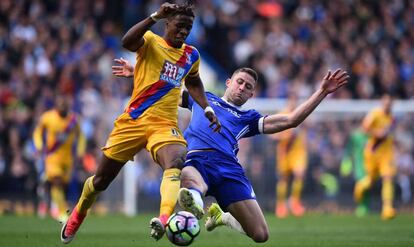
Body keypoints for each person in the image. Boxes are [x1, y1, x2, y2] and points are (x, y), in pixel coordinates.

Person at [111, 59, 349, 242]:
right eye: (240, 82)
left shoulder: (248, 118)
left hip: (229, 170)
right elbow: (164, 92)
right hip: (198, 158)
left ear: (251, 95)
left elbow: (291, 120)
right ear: (229, 82)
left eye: (248, 87)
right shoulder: (202, 98)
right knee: (189, 174)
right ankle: (193, 198)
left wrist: (322, 92)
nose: (242, 88)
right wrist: (137, 73)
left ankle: (219, 216)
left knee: (260, 235)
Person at [61, 2, 221, 244]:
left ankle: (164, 218)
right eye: (180, 25)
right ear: (167, 23)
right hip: (133, 121)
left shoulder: (191, 55)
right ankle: (79, 212)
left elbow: (194, 82)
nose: (183, 31)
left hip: (164, 123)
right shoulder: (150, 41)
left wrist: (206, 107)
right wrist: (154, 16)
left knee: (177, 159)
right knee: (101, 181)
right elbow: (127, 41)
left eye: (188, 27)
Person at [33, 95, 85, 222]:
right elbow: (38, 132)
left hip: (67, 158)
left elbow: (81, 136)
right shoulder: (48, 117)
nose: (62, 108)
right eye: (60, 105)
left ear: (68, 106)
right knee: (57, 181)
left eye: (65, 105)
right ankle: (62, 213)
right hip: (52, 157)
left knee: (62, 185)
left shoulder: (73, 120)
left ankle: (46, 180)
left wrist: (80, 151)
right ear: (56, 106)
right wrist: (39, 145)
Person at [353, 93, 396, 220]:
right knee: (370, 182)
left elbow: (389, 135)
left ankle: (387, 208)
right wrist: (377, 133)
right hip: (372, 154)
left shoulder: (392, 118)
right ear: (382, 103)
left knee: (388, 177)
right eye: (386, 103)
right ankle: (359, 188)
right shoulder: (375, 114)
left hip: (386, 154)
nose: (388, 105)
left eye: (390, 103)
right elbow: (364, 129)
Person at [271, 95, 308, 218]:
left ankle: (294, 202)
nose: (294, 103)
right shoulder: (282, 114)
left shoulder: (301, 114)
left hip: (298, 152)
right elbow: (272, 135)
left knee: (300, 174)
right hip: (284, 152)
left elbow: (304, 130)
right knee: (284, 179)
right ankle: (281, 205)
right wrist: (285, 137)